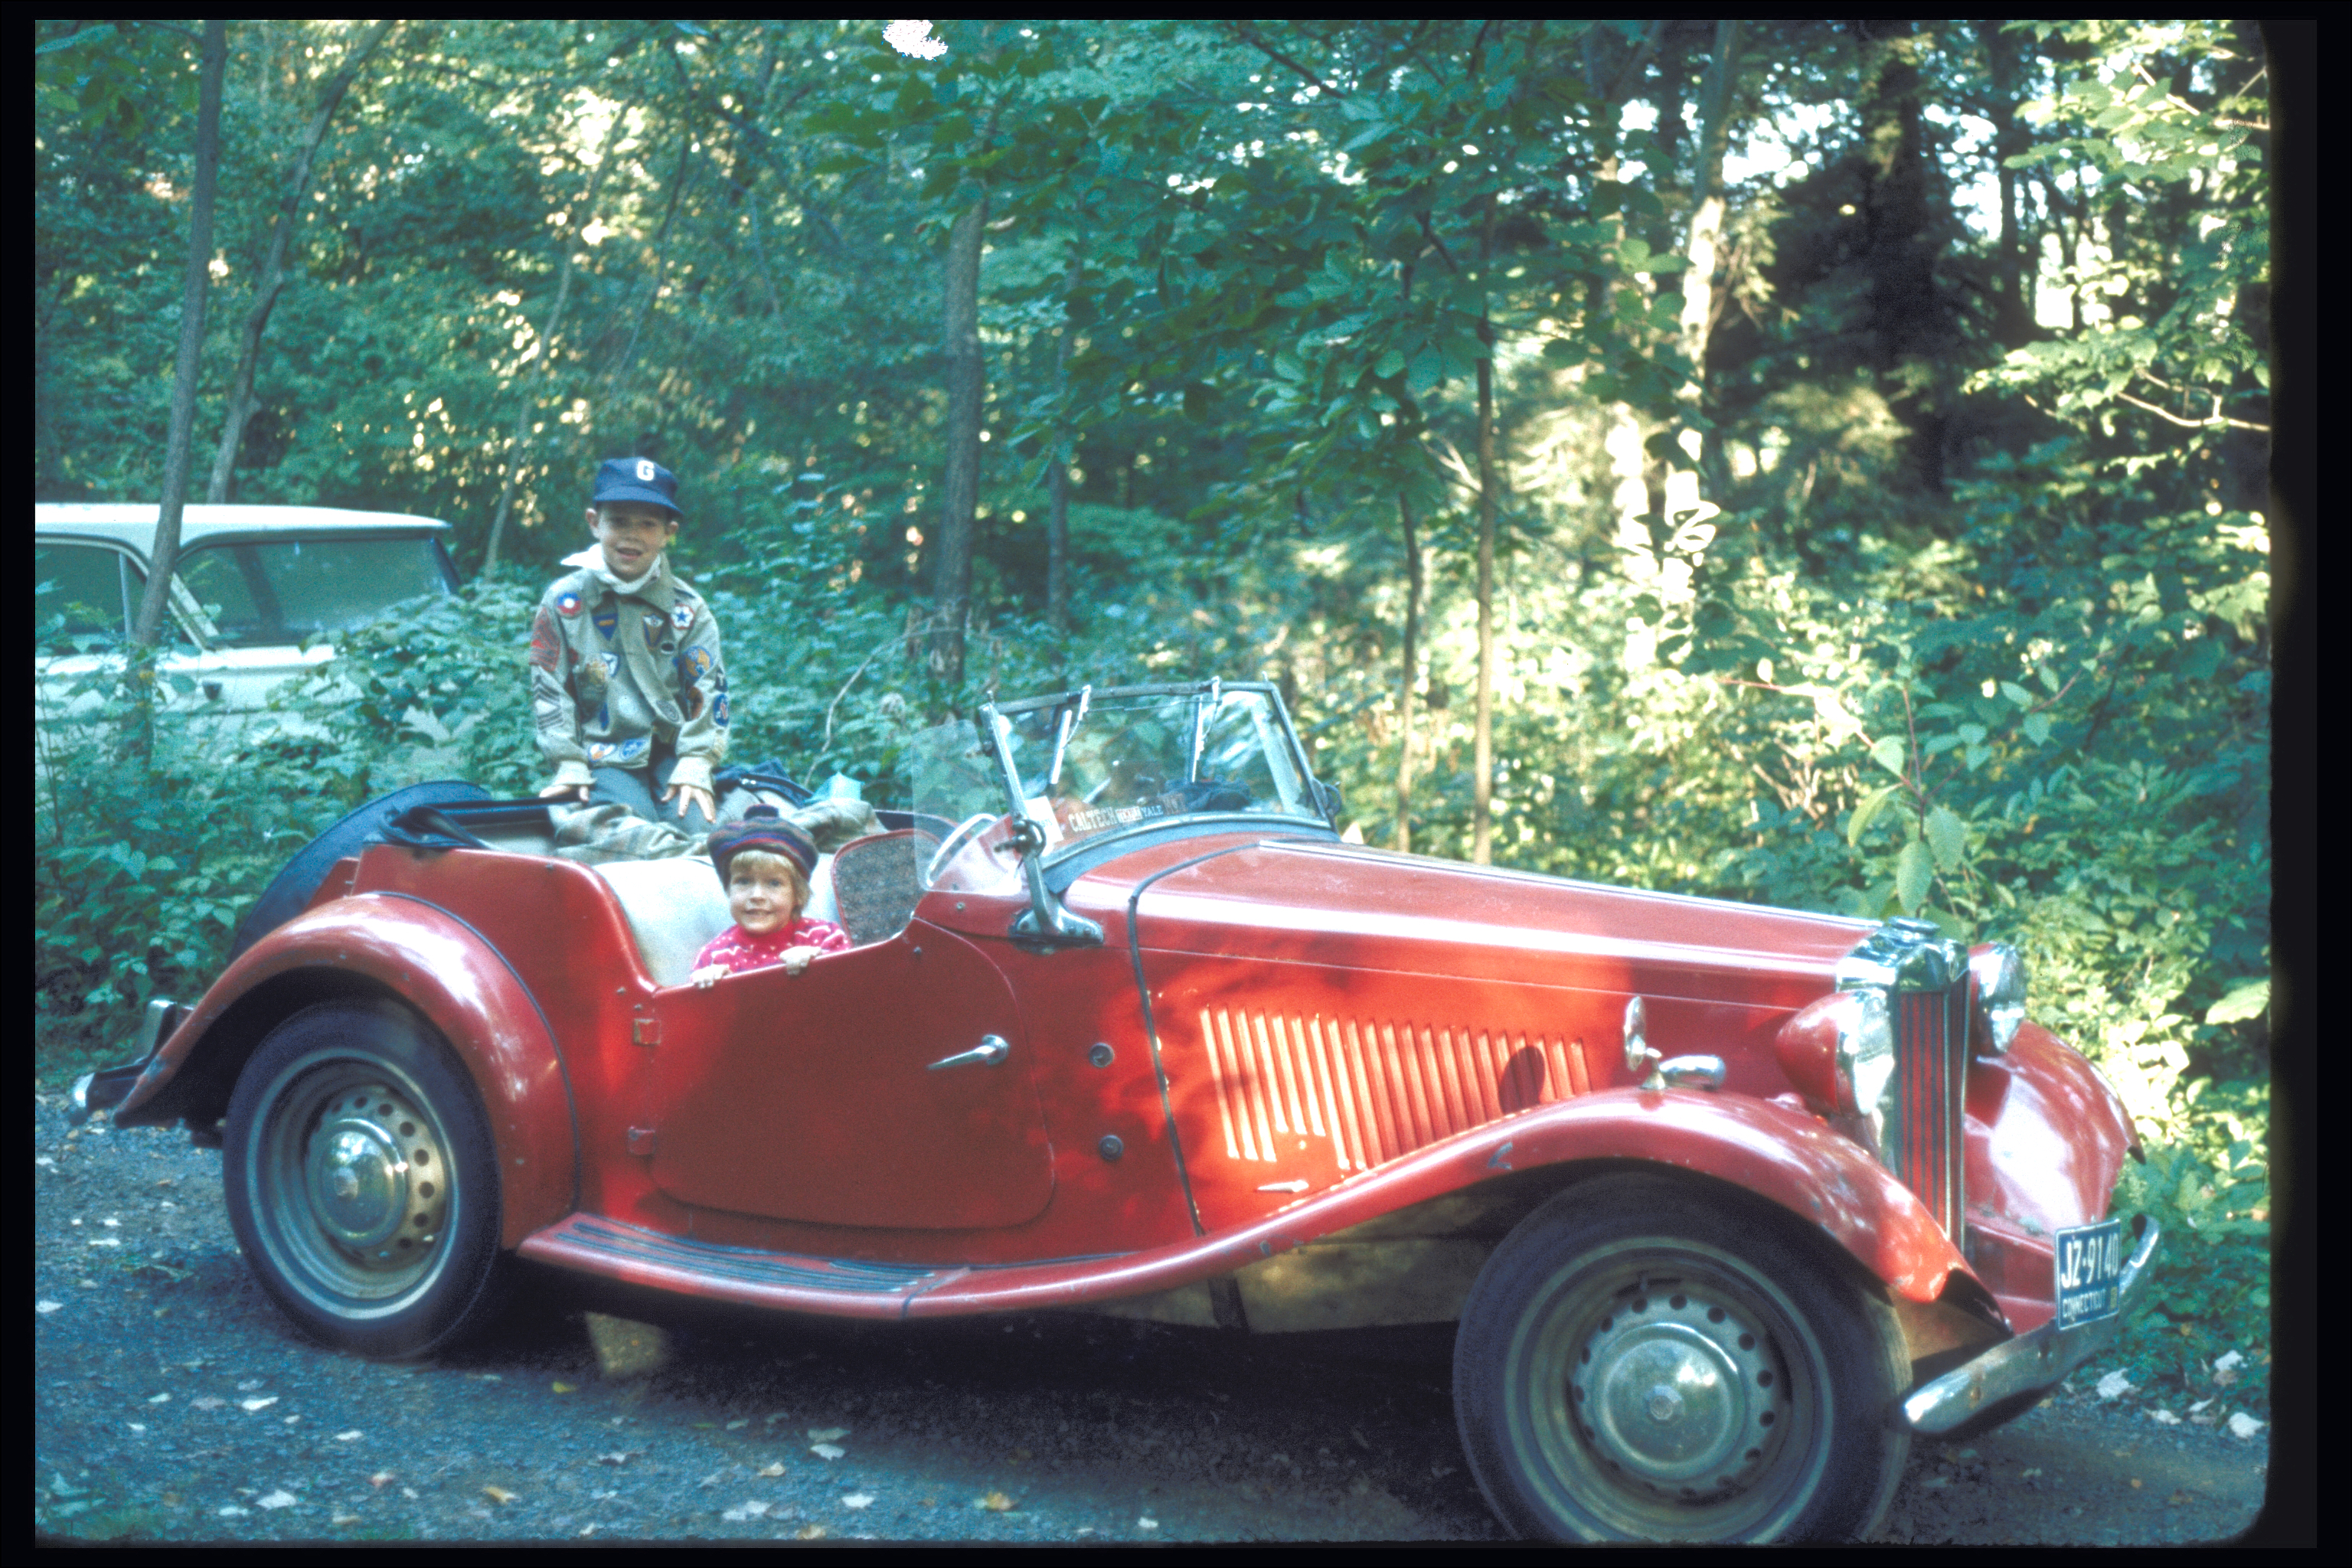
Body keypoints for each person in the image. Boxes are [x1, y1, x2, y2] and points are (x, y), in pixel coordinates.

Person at [532, 456, 727, 832]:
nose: (631, 535)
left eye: (648, 524)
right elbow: (549, 689)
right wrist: (568, 762)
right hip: (604, 753)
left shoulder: (689, 609)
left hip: (675, 750)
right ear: (594, 523)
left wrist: (698, 761)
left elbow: (710, 688)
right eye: (618, 521)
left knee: (700, 829)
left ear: (668, 532)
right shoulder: (564, 603)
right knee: (633, 829)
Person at [688, 809, 851, 987]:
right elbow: (693, 1009)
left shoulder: (825, 937)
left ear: (798, 894)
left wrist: (819, 962)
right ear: (729, 889)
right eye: (743, 881)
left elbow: (853, 987)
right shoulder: (715, 956)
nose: (757, 896)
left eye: (774, 883)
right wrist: (709, 986)